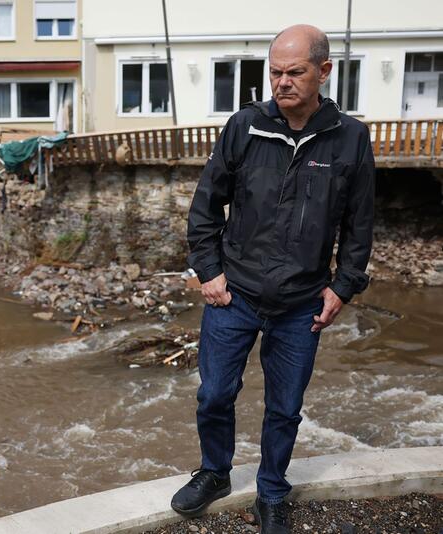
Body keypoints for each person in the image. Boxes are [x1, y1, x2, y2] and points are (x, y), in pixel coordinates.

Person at [171, 24, 375, 534]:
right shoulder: (245, 126)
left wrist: (343, 286)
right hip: (232, 295)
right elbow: (205, 205)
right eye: (275, 72)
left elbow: (360, 224)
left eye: (295, 72)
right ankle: (215, 472)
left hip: (301, 301)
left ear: (324, 71)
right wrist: (209, 272)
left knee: (284, 408)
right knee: (214, 394)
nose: (282, 82)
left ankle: (271, 492)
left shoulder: (349, 137)